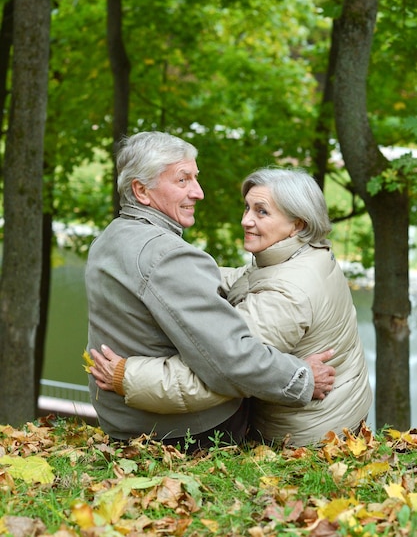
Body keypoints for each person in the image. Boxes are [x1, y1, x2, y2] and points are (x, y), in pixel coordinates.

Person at [91, 165, 372, 447]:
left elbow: (228, 371)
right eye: (247, 208)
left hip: (307, 437)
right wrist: (177, 276)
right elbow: (243, 280)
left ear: (297, 223)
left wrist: (128, 376)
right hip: (341, 411)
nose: (246, 220)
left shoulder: (286, 294)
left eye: (261, 211)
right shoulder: (303, 255)